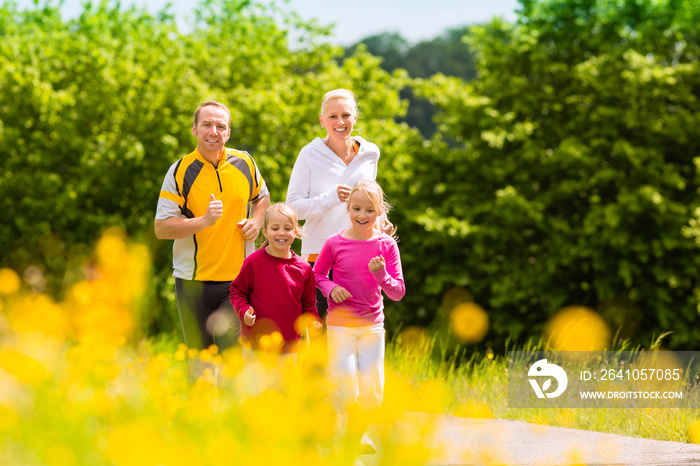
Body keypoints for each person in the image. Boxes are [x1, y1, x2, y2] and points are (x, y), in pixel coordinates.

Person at [155, 101, 270, 352]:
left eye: (221, 126)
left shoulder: (245, 162)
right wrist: (203, 221)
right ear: (195, 129)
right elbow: (162, 228)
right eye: (207, 124)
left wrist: (257, 221)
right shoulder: (179, 171)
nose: (214, 131)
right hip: (192, 282)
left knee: (232, 357)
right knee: (200, 360)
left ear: (228, 133)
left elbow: (262, 197)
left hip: (238, 282)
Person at [313, 180, 405, 457]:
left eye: (369, 210)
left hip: (372, 327)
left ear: (379, 213)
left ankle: (348, 449)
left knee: (372, 395)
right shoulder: (334, 243)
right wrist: (331, 288)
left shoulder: (386, 244)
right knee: (344, 392)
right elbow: (316, 275)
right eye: (356, 209)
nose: (362, 215)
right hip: (340, 326)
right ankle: (325, 415)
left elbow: (398, 292)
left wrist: (382, 276)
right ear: (348, 208)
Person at [286, 89, 381, 320]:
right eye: (332, 116)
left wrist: (381, 222)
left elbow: (372, 200)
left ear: (355, 118)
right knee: (321, 335)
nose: (340, 122)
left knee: (360, 329)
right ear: (322, 120)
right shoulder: (309, 154)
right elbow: (293, 208)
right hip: (319, 257)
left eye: (346, 115)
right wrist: (330, 198)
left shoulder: (370, 153)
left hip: (361, 254)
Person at [229, 203, 323, 363]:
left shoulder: (304, 269)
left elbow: (308, 304)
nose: (281, 233)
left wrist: (314, 321)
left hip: (289, 349)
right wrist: (244, 311)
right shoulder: (253, 262)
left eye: (287, 228)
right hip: (255, 346)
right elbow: (237, 292)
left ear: (296, 232)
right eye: (275, 228)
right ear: (264, 231)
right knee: (256, 389)